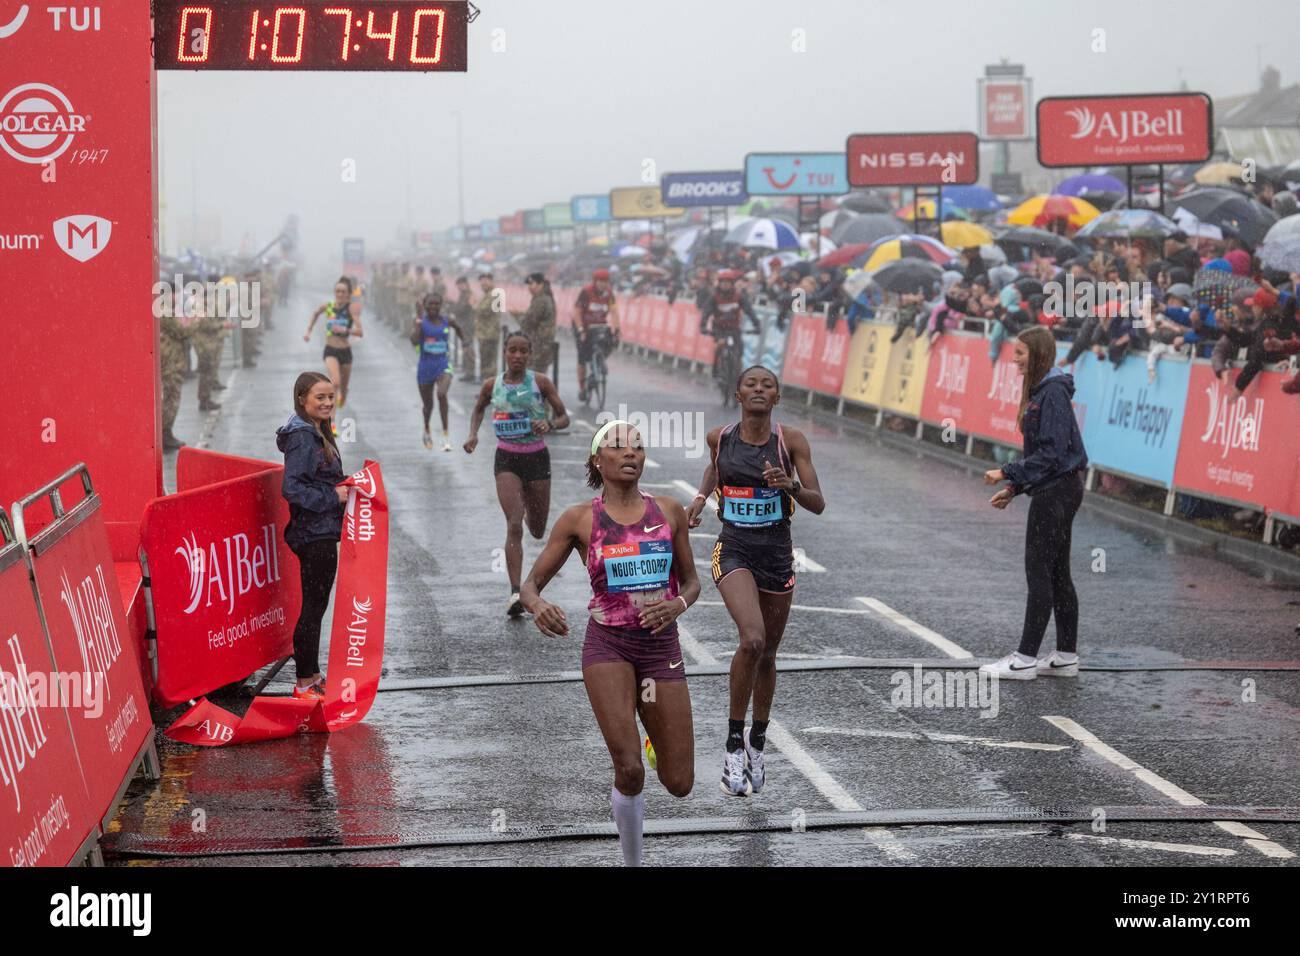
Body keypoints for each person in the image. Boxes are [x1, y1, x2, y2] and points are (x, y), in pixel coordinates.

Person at [521, 420, 699, 866]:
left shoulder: (670, 512)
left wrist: (677, 605)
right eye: (618, 447)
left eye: (637, 447)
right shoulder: (581, 519)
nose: (630, 454)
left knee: (680, 783)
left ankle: (654, 738)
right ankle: (633, 862)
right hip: (608, 648)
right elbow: (530, 586)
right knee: (630, 769)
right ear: (597, 460)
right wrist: (537, 605)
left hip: (660, 648)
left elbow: (693, 583)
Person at [686, 366, 825, 796]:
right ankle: (731, 743)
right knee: (751, 639)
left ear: (777, 397)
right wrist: (699, 498)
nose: (759, 390)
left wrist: (790, 487)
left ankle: (757, 742)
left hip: (777, 555)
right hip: (734, 550)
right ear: (738, 394)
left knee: (768, 654)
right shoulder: (720, 438)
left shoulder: (791, 442)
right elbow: (715, 469)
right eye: (752, 384)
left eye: (767, 385)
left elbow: (818, 503)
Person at [981, 326, 1089, 680]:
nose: (1014, 360)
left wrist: (1006, 472)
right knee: (1057, 572)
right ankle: (1066, 655)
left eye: (1020, 354)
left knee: (1038, 569)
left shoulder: (1053, 393)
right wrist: (1014, 488)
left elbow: (1053, 454)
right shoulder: (1046, 390)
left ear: (1039, 354)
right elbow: (1048, 458)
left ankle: (1025, 659)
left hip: (1058, 491)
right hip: (1059, 488)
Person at [464, 332, 569, 617]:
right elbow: (477, 409)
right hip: (506, 458)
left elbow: (564, 416)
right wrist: (473, 435)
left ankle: (523, 509)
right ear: (505, 353)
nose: (518, 356)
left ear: (530, 354)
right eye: (513, 350)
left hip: (536, 459)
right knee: (514, 524)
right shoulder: (492, 384)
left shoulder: (541, 382)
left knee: (536, 528)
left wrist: (549, 423)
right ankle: (515, 593)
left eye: (524, 351)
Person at [276, 372, 350, 700]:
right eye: (320, 398)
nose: (327, 403)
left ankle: (313, 676)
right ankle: (304, 681)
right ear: (302, 399)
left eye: (331, 397)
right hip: (313, 534)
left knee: (316, 607)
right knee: (313, 608)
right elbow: (292, 488)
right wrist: (333, 497)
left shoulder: (318, 429)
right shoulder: (302, 437)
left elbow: (320, 477)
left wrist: (351, 482)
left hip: (321, 531)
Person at [410, 291, 467, 451]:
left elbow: (459, 329)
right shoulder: (420, 321)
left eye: (437, 304)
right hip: (425, 367)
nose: (434, 307)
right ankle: (426, 427)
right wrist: (418, 323)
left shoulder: (447, 320)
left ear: (440, 306)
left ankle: (445, 434)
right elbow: (413, 340)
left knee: (441, 394)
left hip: (443, 364)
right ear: (426, 305)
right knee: (428, 405)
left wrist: (466, 343)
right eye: (430, 304)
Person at [304, 277, 364, 428]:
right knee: (335, 382)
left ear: (348, 294)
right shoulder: (329, 306)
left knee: (342, 388)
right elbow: (315, 313)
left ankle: (344, 394)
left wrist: (346, 330)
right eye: (337, 291)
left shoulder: (350, 309)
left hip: (345, 351)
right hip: (330, 349)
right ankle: (333, 419)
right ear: (334, 292)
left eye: (343, 291)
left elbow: (360, 332)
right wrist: (309, 331)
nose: (340, 294)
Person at [699, 270, 760, 381]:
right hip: (719, 328)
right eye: (723, 282)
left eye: (728, 282)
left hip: (734, 328)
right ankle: (715, 367)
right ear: (719, 283)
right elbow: (706, 312)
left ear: (732, 284)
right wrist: (702, 326)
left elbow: (749, 311)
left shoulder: (739, 297)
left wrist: (756, 324)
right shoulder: (714, 297)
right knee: (721, 344)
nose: (725, 285)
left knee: (739, 351)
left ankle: (737, 374)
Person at [573, 268, 620, 402]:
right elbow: (576, 312)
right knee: (582, 357)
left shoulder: (609, 294)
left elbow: (614, 312)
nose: (603, 284)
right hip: (584, 325)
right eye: (600, 281)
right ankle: (582, 387)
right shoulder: (586, 292)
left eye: (606, 282)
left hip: (600, 325)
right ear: (595, 282)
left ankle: (598, 362)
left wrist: (616, 330)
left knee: (611, 341)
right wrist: (580, 330)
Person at [517, 272, 557, 375]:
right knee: (538, 376)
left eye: (531, 284)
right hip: (542, 344)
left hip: (540, 345)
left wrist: (517, 316)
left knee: (534, 376)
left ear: (540, 284)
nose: (529, 287)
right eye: (528, 285)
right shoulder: (544, 297)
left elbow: (528, 323)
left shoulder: (541, 300)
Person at [472, 272, 502, 381]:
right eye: (481, 282)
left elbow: (484, 310)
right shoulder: (487, 295)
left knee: (490, 364)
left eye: (485, 281)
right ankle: (486, 387)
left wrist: (475, 305)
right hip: (484, 334)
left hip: (490, 334)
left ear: (491, 281)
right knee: (485, 362)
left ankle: (492, 389)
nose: (482, 284)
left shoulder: (496, 294)